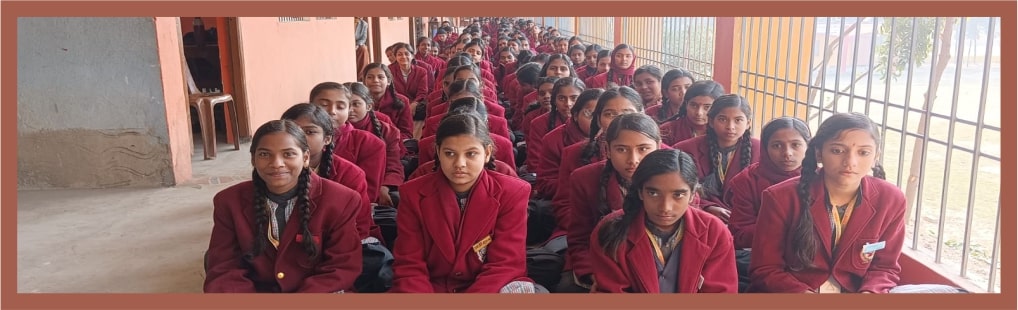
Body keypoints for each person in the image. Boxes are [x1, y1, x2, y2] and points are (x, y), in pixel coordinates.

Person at [749, 112, 902, 294]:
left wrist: (870, 293)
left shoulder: (891, 199)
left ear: (876, 155)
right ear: (819, 153)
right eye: (837, 150)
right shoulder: (780, 197)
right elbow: (765, 269)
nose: (850, 162)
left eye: (863, 152)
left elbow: (884, 267)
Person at [204, 120, 363, 293]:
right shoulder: (228, 201)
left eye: (288, 154)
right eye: (265, 154)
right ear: (253, 159)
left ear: (306, 158)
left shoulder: (341, 200)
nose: (276, 163)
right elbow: (224, 267)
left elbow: (341, 267)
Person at [391, 113, 540, 293]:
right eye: (450, 153)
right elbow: (410, 265)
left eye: (471, 154)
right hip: (432, 287)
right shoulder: (412, 194)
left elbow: (505, 264)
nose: (459, 163)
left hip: (489, 288)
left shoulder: (512, 193)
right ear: (438, 152)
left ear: (486, 153)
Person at [589, 149, 737, 293]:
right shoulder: (611, 231)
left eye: (678, 195)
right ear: (640, 192)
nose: (665, 207)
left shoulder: (714, 232)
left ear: (692, 195)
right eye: (653, 193)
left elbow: (721, 293)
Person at [564, 113, 664, 292]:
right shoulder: (584, 179)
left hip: (660, 267)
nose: (633, 159)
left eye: (643, 149)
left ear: (659, 148)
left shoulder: (674, 180)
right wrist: (595, 276)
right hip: (604, 264)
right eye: (622, 149)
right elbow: (579, 238)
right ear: (608, 150)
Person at [723, 117, 810, 292]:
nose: (787, 153)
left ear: (809, 147)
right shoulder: (747, 181)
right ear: (764, 148)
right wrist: (785, 230)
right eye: (777, 145)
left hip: (811, 259)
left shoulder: (823, 180)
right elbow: (739, 234)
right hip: (764, 256)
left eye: (796, 145)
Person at [673, 94, 760, 222]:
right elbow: (677, 187)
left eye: (738, 120)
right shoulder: (686, 149)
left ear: (748, 123)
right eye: (723, 119)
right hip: (700, 215)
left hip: (744, 217)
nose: (730, 126)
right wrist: (708, 207)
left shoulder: (760, 150)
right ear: (711, 121)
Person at [309, 82, 386, 205]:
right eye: (323, 105)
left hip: (351, 209)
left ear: (348, 109)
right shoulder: (296, 140)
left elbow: (369, 194)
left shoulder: (370, 143)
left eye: (340, 107)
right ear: (311, 107)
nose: (332, 111)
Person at [343, 82, 406, 208]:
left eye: (356, 104)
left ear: (368, 106)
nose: (350, 110)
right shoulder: (330, 133)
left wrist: (385, 187)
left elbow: (393, 164)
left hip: (378, 185)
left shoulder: (387, 131)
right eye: (344, 105)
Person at [656, 79, 723, 146]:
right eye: (694, 105)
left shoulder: (725, 131)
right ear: (686, 104)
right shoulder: (667, 130)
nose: (699, 113)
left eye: (707, 107)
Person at [363, 63, 415, 140]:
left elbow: (406, 133)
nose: (375, 80)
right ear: (364, 81)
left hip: (393, 142)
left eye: (380, 77)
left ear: (389, 81)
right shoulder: (359, 102)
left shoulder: (402, 101)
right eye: (370, 77)